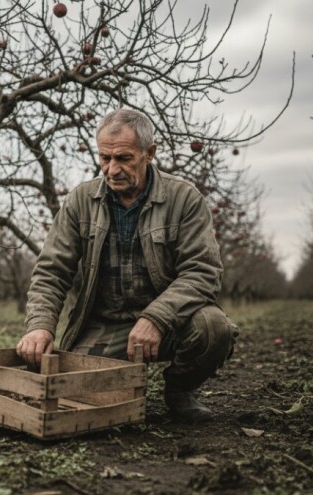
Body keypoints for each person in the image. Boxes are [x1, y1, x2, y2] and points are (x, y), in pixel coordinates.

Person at [16, 108, 238, 423]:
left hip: (170, 323)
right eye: (104, 158)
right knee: (78, 394)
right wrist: (40, 325)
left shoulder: (183, 199)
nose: (112, 169)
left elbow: (202, 271)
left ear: (150, 153)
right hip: (105, 326)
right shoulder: (80, 201)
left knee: (214, 329)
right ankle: (117, 377)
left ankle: (180, 390)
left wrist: (156, 318)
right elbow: (51, 271)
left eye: (123, 158)